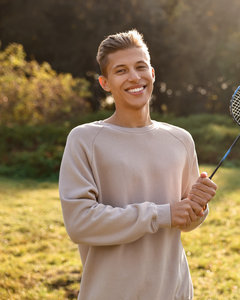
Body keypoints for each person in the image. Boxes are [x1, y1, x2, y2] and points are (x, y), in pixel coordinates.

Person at [59, 29, 217, 300]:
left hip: (174, 291)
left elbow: (185, 221)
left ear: (152, 74)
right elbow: (79, 223)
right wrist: (163, 214)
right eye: (121, 70)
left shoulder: (180, 139)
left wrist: (198, 208)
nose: (134, 77)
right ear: (105, 83)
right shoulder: (84, 139)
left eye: (140, 67)